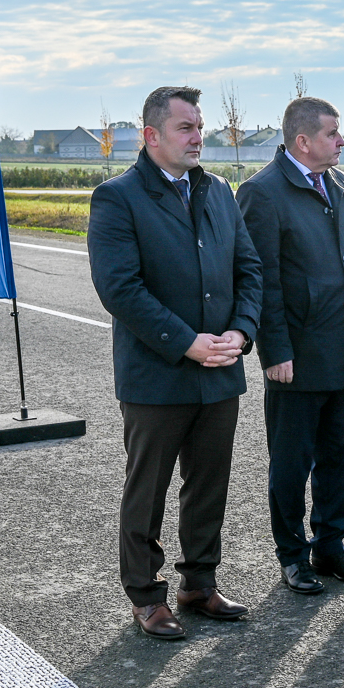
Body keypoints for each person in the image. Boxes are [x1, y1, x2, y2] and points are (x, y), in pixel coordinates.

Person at [88, 86, 263, 640]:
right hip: (158, 372)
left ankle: (199, 583)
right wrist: (186, 341)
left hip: (219, 369)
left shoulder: (219, 192)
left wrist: (241, 330)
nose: (197, 137)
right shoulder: (117, 198)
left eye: (199, 126)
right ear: (151, 135)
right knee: (149, 487)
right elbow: (120, 288)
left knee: (209, 482)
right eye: (185, 127)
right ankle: (146, 596)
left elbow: (249, 270)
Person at [239, 97, 344, 594]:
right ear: (302, 141)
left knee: (338, 456)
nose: (342, 140)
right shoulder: (263, 194)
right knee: (292, 461)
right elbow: (262, 279)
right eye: (332, 133)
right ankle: (292, 555)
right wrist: (275, 350)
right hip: (298, 356)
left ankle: (330, 546)